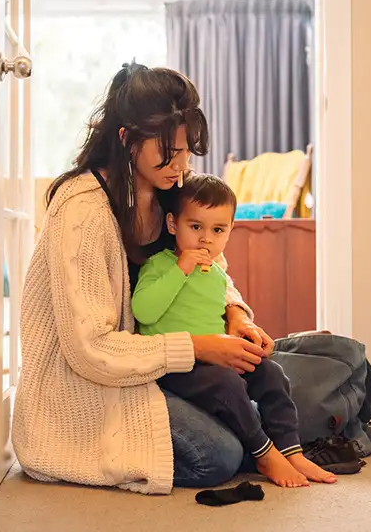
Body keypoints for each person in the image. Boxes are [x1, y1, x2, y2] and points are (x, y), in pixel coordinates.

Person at [13, 62, 277, 495]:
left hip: (165, 366)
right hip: (93, 385)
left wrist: (235, 316)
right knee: (219, 456)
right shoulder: (82, 210)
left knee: (308, 360)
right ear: (126, 139)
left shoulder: (174, 189)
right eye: (168, 153)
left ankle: (261, 423)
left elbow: (213, 266)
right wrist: (198, 347)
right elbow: (90, 351)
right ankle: (266, 433)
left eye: (186, 150)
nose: (180, 164)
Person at [132, 174, 337, 488]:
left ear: (229, 231)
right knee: (227, 384)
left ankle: (290, 449)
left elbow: (221, 313)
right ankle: (263, 451)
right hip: (176, 366)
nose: (205, 239)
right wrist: (180, 269)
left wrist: (243, 332)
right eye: (195, 227)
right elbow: (143, 311)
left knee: (272, 374)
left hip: (217, 359)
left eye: (217, 230)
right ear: (173, 225)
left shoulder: (215, 272)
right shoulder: (159, 265)